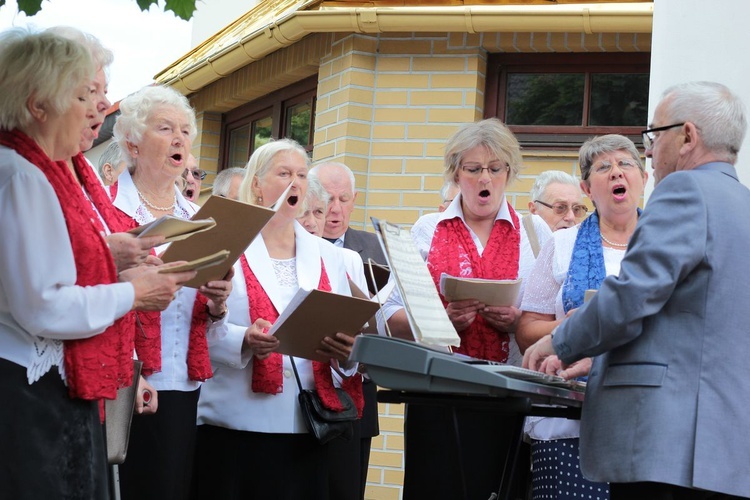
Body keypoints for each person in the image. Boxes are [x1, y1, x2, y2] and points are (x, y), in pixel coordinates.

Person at [524, 81, 750, 499]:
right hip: (729, 452)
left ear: (687, 136)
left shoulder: (683, 191)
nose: (648, 151)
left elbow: (632, 294)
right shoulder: (743, 204)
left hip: (666, 444)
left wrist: (561, 339)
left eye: (654, 135)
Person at [0, 28, 191, 499]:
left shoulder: (38, 170)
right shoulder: (22, 174)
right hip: (29, 387)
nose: (97, 109)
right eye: (83, 94)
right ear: (38, 104)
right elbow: (43, 305)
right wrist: (136, 292)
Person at [381, 118, 552, 499]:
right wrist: (438, 320)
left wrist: (516, 322)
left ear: (510, 173)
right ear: (456, 173)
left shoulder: (536, 233)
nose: (485, 179)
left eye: (495, 169)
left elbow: (550, 317)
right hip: (438, 396)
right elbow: (387, 315)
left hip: (510, 396)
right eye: (473, 170)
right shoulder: (428, 228)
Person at [192, 138, 361, 498]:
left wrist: (347, 351)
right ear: (257, 184)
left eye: (301, 174)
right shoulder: (226, 242)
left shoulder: (327, 255)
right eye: (283, 173)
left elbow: (343, 330)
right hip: (234, 424)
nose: (295, 182)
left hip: (305, 426)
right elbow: (195, 330)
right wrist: (244, 339)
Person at [111, 85, 233, 500]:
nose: (180, 138)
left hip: (187, 386)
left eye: (185, 129)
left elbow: (213, 322)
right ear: (132, 141)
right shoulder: (109, 210)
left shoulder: (203, 218)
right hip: (127, 381)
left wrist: (218, 304)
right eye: (165, 128)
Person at [517, 135, 648, 500]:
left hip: (646, 421)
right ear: (588, 187)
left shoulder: (667, 245)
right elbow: (527, 331)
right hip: (568, 420)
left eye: (626, 164)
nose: (616, 172)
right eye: (603, 167)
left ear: (644, 178)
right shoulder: (562, 244)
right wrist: (572, 326)